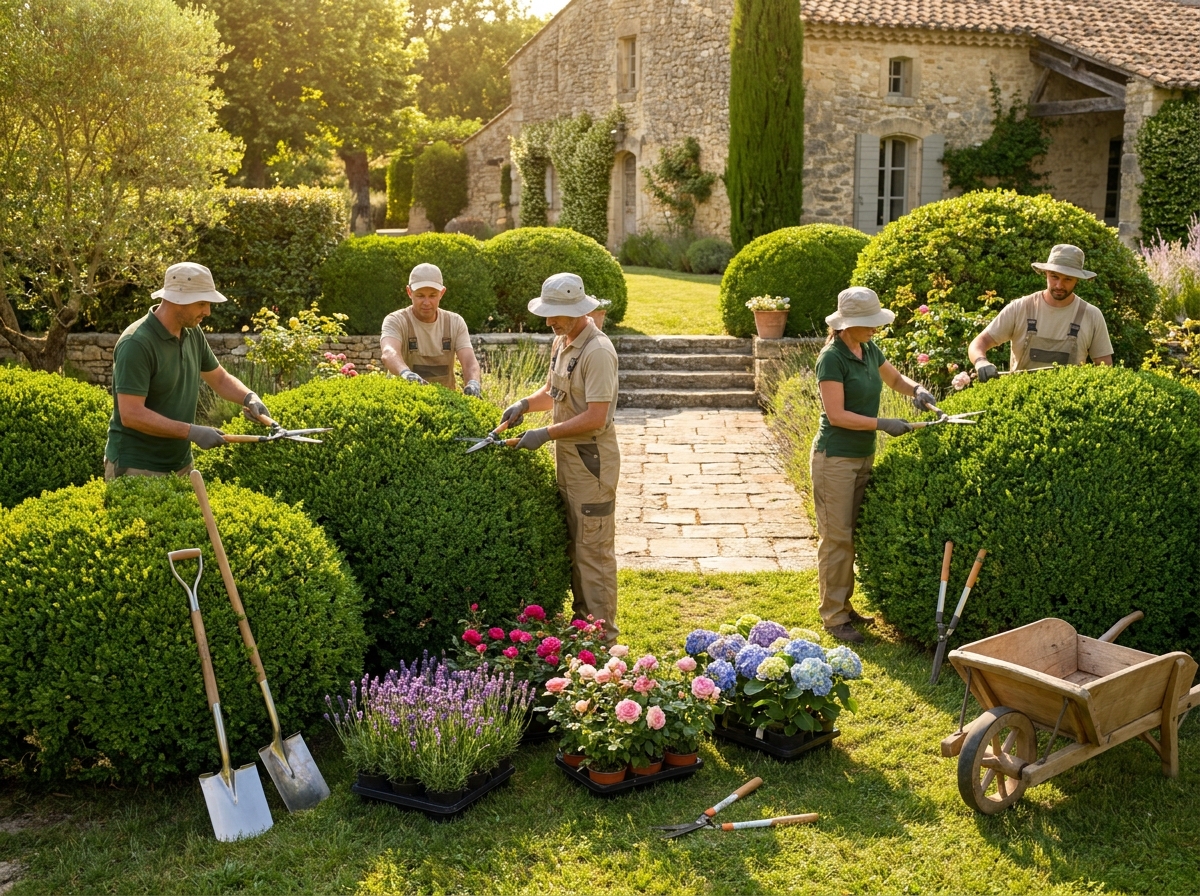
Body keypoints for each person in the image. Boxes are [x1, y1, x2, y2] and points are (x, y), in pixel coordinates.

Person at [501, 273, 621, 641]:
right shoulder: (563, 341)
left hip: (591, 464)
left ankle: (603, 642)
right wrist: (525, 404)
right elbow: (555, 392)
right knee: (575, 547)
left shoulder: (597, 352)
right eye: (548, 314)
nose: (550, 321)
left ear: (578, 310)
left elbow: (597, 416)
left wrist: (545, 434)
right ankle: (582, 628)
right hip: (569, 460)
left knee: (593, 555)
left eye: (556, 315)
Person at [813, 287, 937, 643]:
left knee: (851, 534)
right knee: (836, 538)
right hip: (834, 458)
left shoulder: (867, 348)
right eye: (868, 324)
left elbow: (895, 378)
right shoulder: (831, 358)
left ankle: (844, 606)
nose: (875, 329)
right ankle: (834, 616)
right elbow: (836, 415)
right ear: (846, 325)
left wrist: (917, 390)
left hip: (863, 454)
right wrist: (884, 424)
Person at [104, 262, 269, 480]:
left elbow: (218, 378)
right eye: (201, 303)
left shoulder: (192, 333)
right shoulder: (137, 343)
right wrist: (192, 432)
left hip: (181, 464)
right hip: (137, 466)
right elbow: (131, 414)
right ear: (176, 300)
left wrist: (249, 397)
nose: (207, 311)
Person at [969, 244, 1113, 382]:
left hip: (1071, 402)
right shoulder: (1021, 308)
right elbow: (979, 343)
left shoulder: (1091, 315)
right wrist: (981, 362)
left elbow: (1105, 367)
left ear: (1077, 280)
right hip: (1018, 399)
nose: (1059, 285)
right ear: (1046, 274)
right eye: (1054, 276)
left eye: (1067, 279)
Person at [380, 263, 482, 395]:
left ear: (442, 293)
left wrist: (473, 383)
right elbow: (389, 352)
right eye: (420, 296)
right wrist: (405, 374)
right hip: (401, 401)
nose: (427, 302)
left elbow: (469, 361)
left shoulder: (455, 322)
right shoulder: (396, 320)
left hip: (445, 402)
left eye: (432, 296)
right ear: (409, 292)